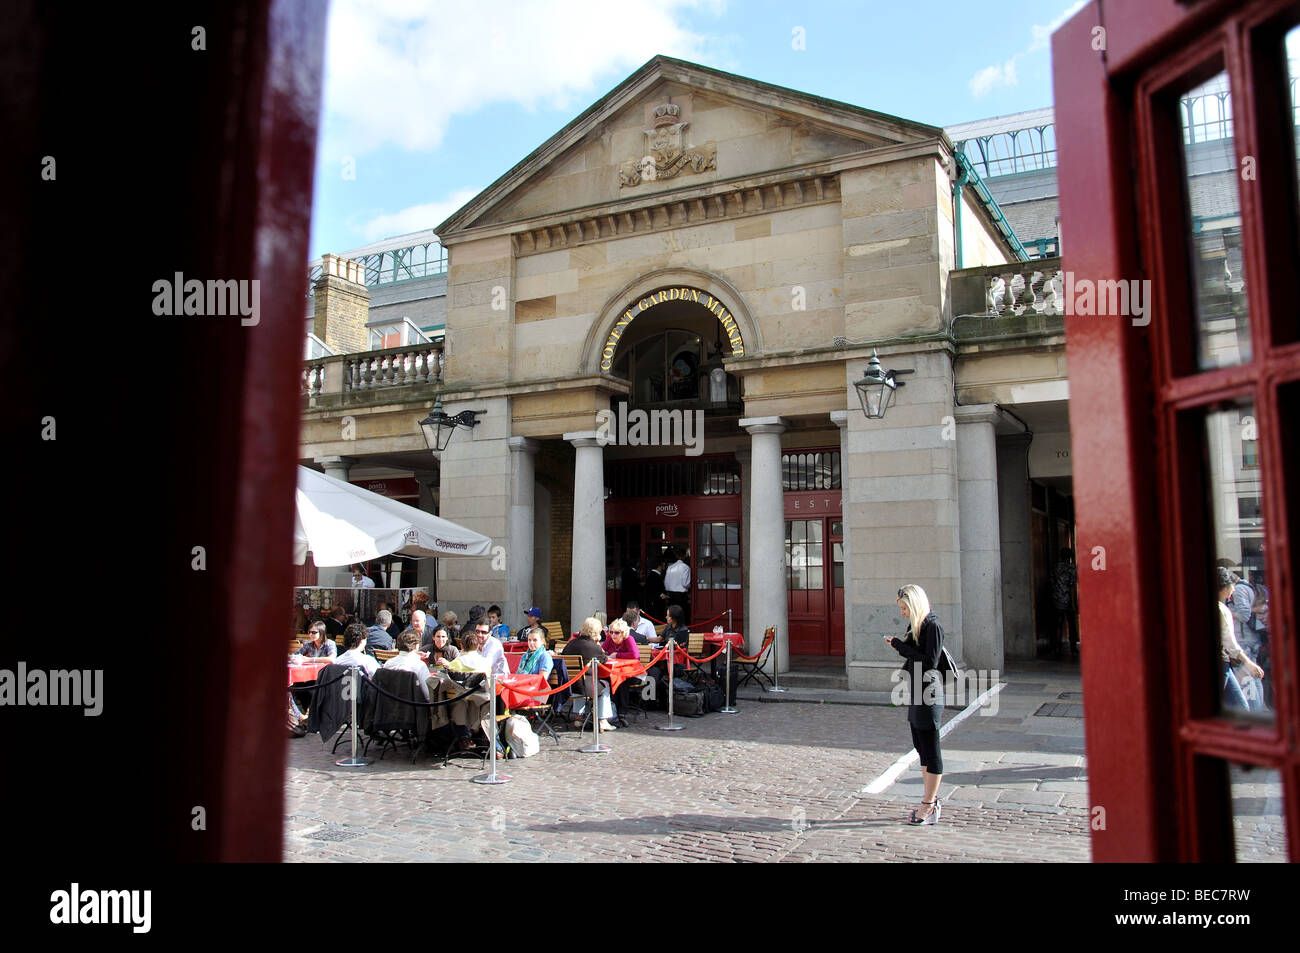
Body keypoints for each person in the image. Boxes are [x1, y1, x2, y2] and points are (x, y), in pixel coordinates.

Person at [884, 584, 945, 825]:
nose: (902, 612)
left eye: (904, 608)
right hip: (916, 691)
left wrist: (899, 646)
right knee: (920, 746)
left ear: (914, 604)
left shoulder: (933, 626)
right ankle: (930, 798)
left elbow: (930, 661)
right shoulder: (917, 625)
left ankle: (928, 804)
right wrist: (901, 645)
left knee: (931, 748)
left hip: (929, 693)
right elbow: (916, 655)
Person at [1217, 567, 1264, 711]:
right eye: (1232, 585)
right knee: (1241, 705)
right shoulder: (1222, 609)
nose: (1234, 590)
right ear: (1224, 585)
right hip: (1224, 662)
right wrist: (1248, 663)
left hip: (1226, 661)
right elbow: (1229, 642)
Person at [565, 617, 616, 731]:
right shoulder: (593, 647)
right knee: (605, 686)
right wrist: (598, 645)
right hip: (584, 686)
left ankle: (579, 717)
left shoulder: (571, 643)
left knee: (582, 683)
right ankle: (602, 720)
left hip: (569, 685)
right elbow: (604, 659)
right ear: (597, 632)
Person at [382, 628, 432, 700]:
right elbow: (428, 695)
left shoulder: (388, 663)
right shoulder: (419, 666)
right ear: (416, 646)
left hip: (389, 707)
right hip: (412, 708)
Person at [1050, 547, 1079, 657]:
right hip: (1067, 600)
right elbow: (1072, 586)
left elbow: (1052, 582)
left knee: (1057, 624)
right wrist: (1073, 602)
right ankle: (1073, 647)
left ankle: (1056, 647)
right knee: (1071, 624)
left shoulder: (1056, 567)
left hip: (1056, 599)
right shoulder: (1071, 568)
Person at [663, 547, 691, 624]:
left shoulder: (670, 567)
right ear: (684, 556)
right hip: (681, 596)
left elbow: (666, 583)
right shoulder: (685, 567)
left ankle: (672, 631)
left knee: (672, 616)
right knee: (681, 616)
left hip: (671, 595)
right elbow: (685, 584)